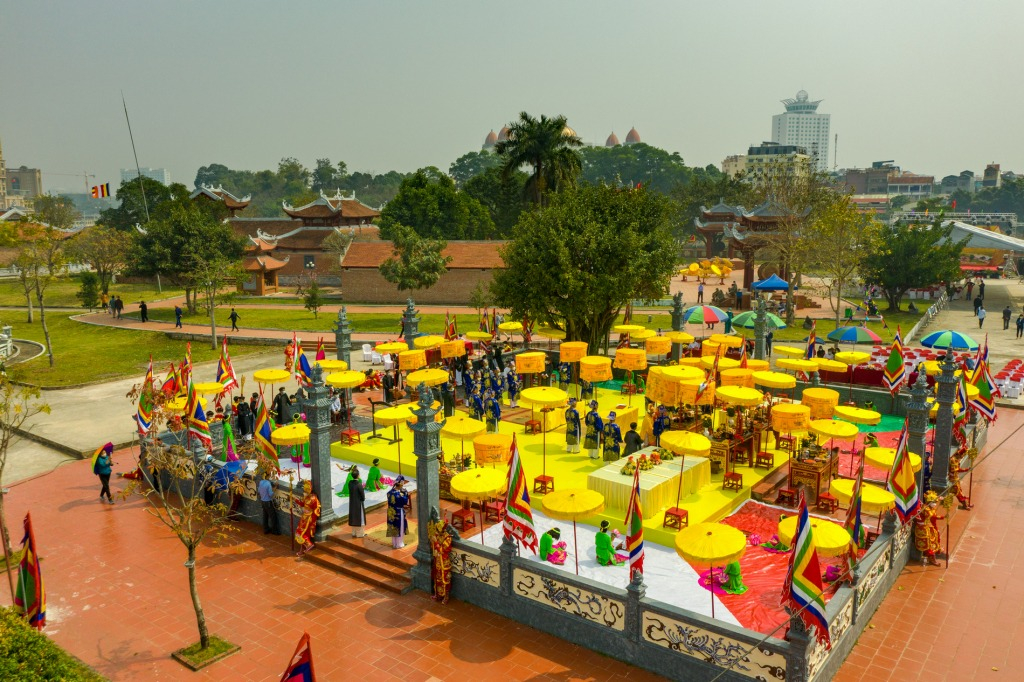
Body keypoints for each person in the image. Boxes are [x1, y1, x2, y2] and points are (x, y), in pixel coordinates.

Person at [913, 491, 943, 566]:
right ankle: (932, 558)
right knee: (928, 542)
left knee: (936, 534)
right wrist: (942, 517)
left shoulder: (929, 507)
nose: (935, 504)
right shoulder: (926, 509)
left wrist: (940, 499)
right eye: (934, 502)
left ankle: (934, 552)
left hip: (927, 525)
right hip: (922, 527)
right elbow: (932, 515)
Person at [293, 480, 321, 557]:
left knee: (301, 533)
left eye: (306, 491)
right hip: (304, 517)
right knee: (300, 532)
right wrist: (295, 499)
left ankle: (309, 545)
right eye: (304, 490)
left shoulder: (313, 498)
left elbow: (317, 509)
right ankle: (302, 550)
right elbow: (302, 504)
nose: (304, 492)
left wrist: (313, 519)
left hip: (309, 519)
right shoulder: (306, 497)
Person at [386, 476, 411, 549]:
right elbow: (405, 502)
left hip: (391, 512)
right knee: (400, 527)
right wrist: (405, 494)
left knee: (393, 527)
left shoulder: (389, 493)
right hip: (398, 512)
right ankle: (399, 544)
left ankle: (394, 543)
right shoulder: (400, 495)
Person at [347, 466, 366, 538]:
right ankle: (360, 534)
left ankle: (354, 532)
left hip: (352, 503)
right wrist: (362, 499)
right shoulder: (359, 484)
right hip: (358, 503)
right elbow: (362, 495)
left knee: (354, 517)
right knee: (360, 518)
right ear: (358, 476)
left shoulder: (350, 483)